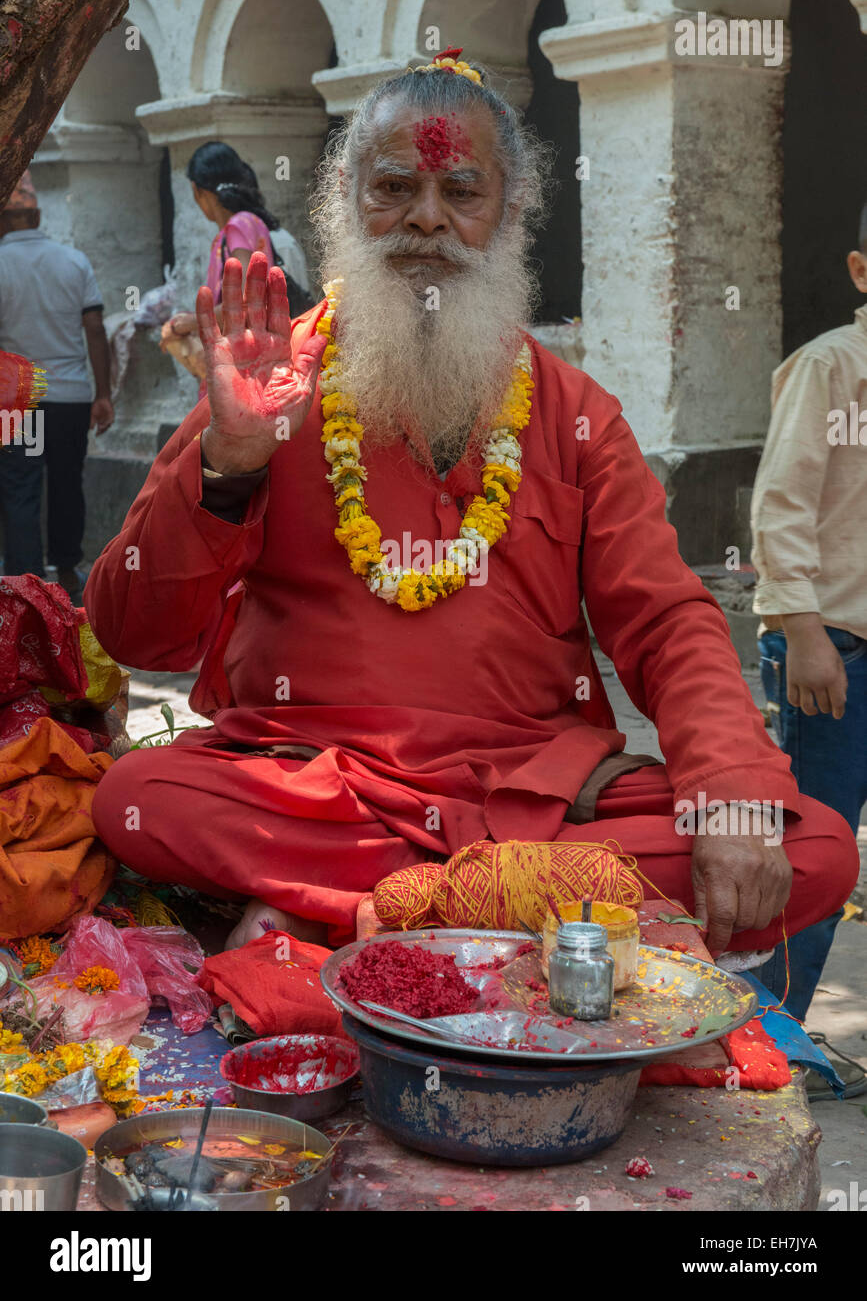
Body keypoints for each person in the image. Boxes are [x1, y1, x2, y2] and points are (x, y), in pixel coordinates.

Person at [85, 51, 857, 969]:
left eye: (461, 190)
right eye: (394, 188)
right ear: (344, 201)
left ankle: (367, 911)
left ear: (510, 214)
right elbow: (136, 634)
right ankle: (499, 914)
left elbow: (662, 619)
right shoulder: (268, 386)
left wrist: (728, 790)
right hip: (317, 782)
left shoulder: (573, 413)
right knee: (144, 794)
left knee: (813, 846)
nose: (426, 217)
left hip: (536, 789)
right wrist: (228, 464)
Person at [750, 205, 867, 1019]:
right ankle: (771, 1031)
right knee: (818, 842)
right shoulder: (831, 367)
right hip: (832, 646)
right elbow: (781, 501)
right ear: (861, 272)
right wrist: (799, 631)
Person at [0, 171, 113, 602]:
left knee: (21, 488)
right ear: (39, 215)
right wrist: (102, 394)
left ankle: (26, 589)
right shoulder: (74, 261)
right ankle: (67, 572)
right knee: (67, 482)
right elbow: (95, 328)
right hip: (70, 398)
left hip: (22, 404)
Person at [162, 144, 312, 388]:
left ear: (198, 191)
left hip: (243, 368)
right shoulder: (252, 222)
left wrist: (187, 323)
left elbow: (242, 303)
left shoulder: (237, 226)